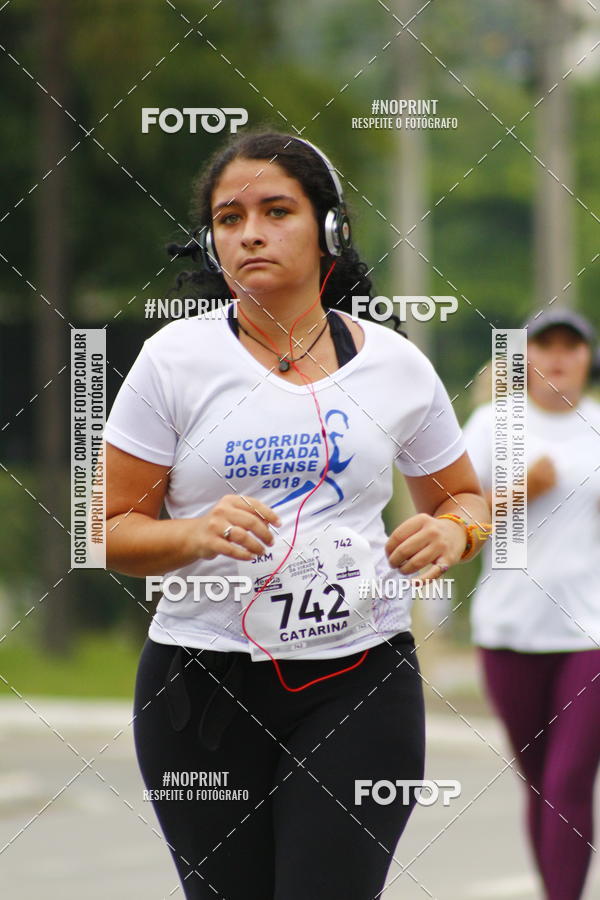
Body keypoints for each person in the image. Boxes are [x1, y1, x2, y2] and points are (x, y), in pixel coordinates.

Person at [104, 129, 490, 900]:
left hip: (360, 684)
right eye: (227, 218)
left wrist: (454, 531)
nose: (249, 232)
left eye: (276, 210)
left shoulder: (395, 364)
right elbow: (109, 530)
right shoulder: (173, 360)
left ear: (332, 231)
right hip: (200, 689)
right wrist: (191, 533)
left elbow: (464, 498)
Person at [463, 308, 600, 900]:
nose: (559, 357)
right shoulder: (494, 425)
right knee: (542, 785)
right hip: (510, 628)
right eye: (546, 346)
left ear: (588, 359)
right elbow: (457, 522)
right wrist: (523, 490)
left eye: (573, 346)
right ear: (526, 360)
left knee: (571, 779)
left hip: (589, 632)